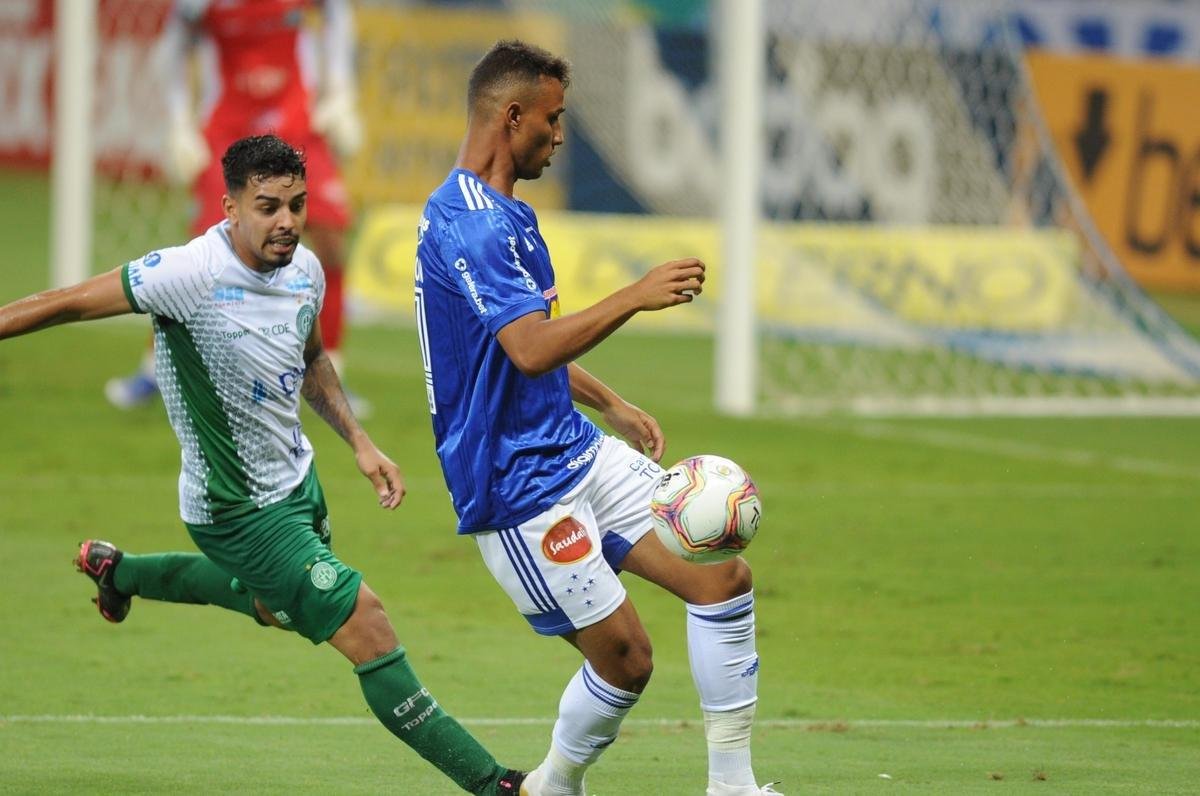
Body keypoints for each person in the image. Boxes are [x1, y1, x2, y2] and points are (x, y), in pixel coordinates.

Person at [1, 135, 524, 795]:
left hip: (297, 487)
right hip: (235, 510)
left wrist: (359, 444)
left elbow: (311, 360)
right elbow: (69, 301)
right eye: (268, 206)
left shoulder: (306, 268)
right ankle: (495, 784)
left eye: (297, 205)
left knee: (276, 610)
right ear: (230, 208)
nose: (286, 221)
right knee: (365, 622)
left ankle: (119, 572)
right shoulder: (185, 274)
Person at [414, 40, 778, 796]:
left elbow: (520, 347)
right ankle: (555, 784)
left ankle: (733, 787)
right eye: (553, 119)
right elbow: (525, 348)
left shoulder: (505, 214)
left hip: (577, 451)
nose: (558, 133)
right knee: (627, 660)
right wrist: (632, 295)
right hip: (516, 488)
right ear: (512, 117)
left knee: (721, 578)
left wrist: (610, 403)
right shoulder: (470, 225)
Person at [106, 0, 369, 417]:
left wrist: (340, 92)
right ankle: (155, 368)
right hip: (228, 128)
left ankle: (327, 372)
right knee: (201, 257)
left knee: (332, 242)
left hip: (295, 122)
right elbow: (176, 45)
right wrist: (178, 122)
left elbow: (338, 14)